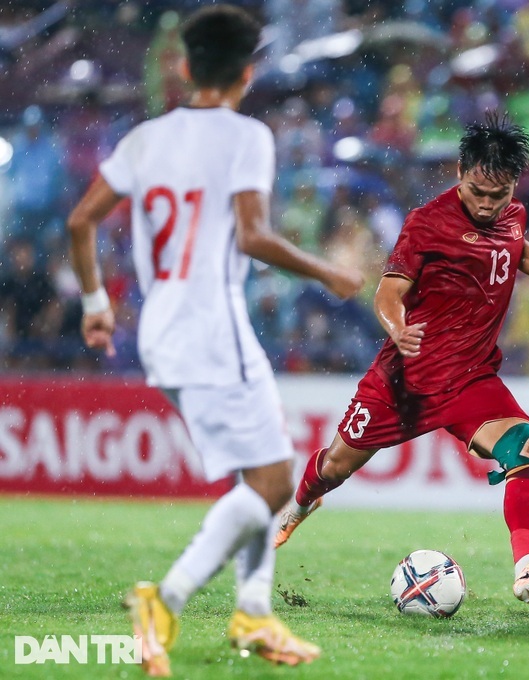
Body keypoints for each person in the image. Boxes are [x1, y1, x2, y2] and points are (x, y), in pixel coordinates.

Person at [66, 5, 364, 675]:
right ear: (248, 73)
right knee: (271, 480)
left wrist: (94, 304)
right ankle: (164, 599)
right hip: (211, 323)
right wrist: (328, 273)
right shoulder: (247, 137)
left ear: (184, 67)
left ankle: (254, 614)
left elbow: (82, 221)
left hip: (161, 327)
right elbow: (253, 235)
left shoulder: (145, 139)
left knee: (261, 467)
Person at [273, 113, 529, 605]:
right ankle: (296, 508)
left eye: (497, 196)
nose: (485, 204)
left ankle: (528, 567)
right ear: (461, 170)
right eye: (477, 191)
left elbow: (518, 252)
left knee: (527, 450)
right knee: (335, 465)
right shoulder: (426, 223)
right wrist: (397, 330)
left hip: (469, 379)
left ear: (513, 186)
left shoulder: (512, 215)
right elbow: (388, 292)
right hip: (405, 379)